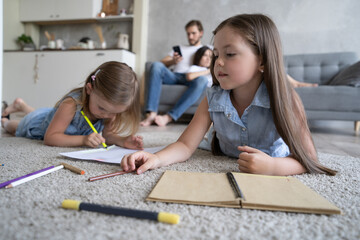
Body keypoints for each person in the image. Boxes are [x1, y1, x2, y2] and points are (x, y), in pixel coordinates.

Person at [121, 14, 336, 176]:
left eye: (230, 54)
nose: (218, 62)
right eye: (216, 55)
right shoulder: (213, 98)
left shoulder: (286, 99)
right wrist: (156, 158)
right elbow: (186, 145)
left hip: (272, 159)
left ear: (262, 61)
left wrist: (273, 166)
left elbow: (308, 158)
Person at [1, 61, 143, 149]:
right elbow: (50, 138)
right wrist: (83, 140)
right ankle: (5, 121)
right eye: (102, 108)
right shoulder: (71, 105)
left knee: (42, 114)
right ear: (89, 89)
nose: (107, 115)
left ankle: (21, 106)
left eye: (114, 113)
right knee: (17, 128)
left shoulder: (109, 109)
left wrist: (123, 141)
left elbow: (108, 135)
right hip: (39, 126)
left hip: (54, 117)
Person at [140, 20, 209, 127]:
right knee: (156, 65)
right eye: (188, 33)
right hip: (175, 76)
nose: (190, 36)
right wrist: (173, 61)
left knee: (202, 80)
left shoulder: (207, 50)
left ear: (201, 33)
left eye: (193, 33)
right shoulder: (180, 48)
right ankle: (152, 113)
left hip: (193, 78)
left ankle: (169, 117)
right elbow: (161, 63)